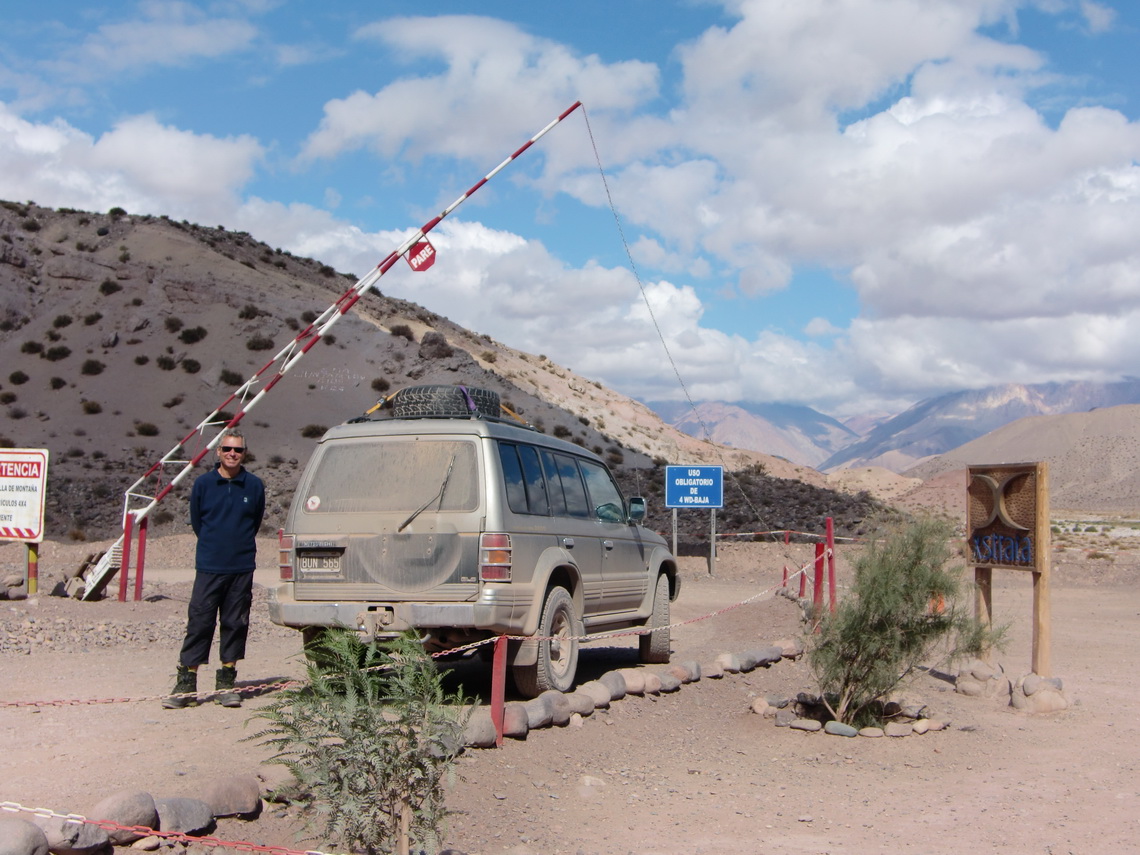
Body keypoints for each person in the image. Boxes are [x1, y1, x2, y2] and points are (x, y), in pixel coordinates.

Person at [163, 429, 266, 709]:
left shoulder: (254, 486)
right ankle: (186, 683)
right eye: (228, 449)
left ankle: (226, 682)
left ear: (245, 454)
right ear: (218, 452)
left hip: (241, 566)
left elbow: (255, 521)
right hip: (209, 566)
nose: (233, 454)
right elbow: (198, 522)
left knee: (235, 623)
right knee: (200, 622)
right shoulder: (203, 485)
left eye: (239, 450)